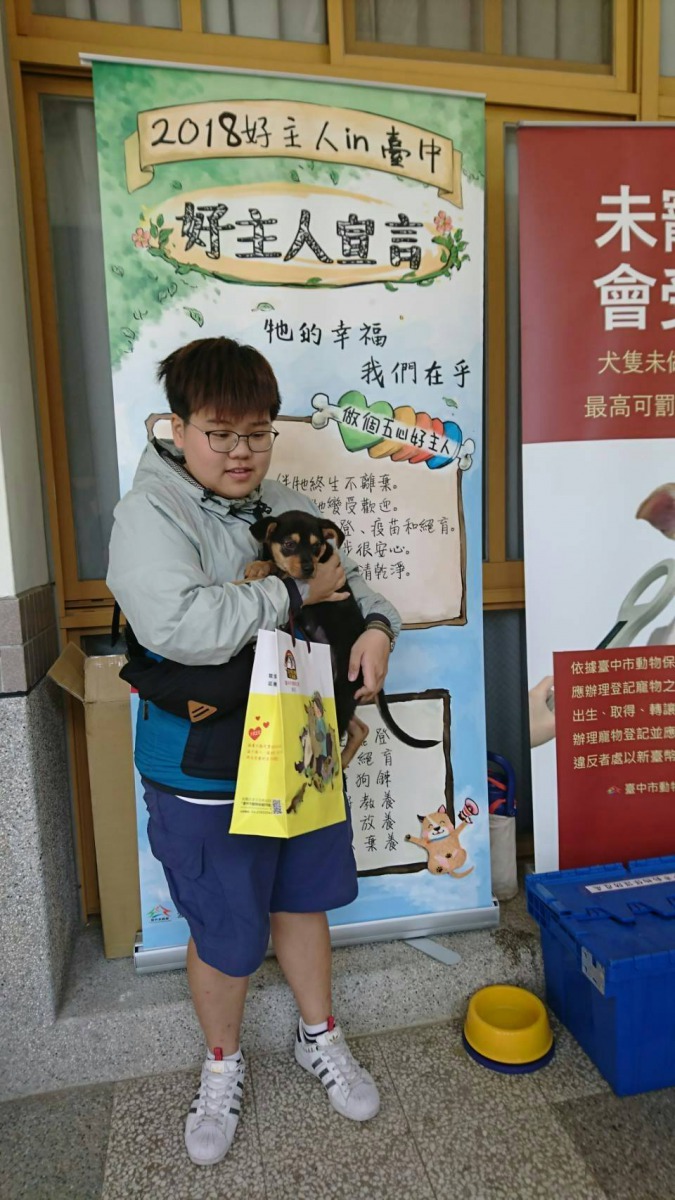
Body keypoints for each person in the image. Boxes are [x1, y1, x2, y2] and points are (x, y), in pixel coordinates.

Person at [107, 337, 401, 1167]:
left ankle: (319, 1036)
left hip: (298, 750)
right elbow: (178, 628)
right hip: (203, 759)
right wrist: (291, 591)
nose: (242, 451)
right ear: (177, 426)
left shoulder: (276, 502)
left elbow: (353, 581)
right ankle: (223, 1063)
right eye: (220, 431)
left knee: (301, 898)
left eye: (258, 432)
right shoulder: (150, 513)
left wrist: (376, 627)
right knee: (226, 924)